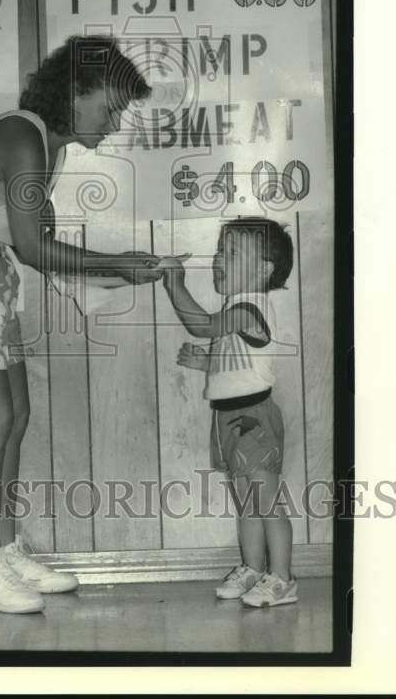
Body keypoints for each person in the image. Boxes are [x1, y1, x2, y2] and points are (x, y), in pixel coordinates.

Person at [0, 35, 163, 614]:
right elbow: (35, 247)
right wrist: (116, 263)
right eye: (109, 107)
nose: (114, 124)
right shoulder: (22, 137)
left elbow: (36, 241)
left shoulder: (48, 148)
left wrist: (111, 273)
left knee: (15, 415)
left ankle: (5, 550)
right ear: (75, 93)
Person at [162, 217, 297, 608]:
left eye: (231, 252)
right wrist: (206, 364)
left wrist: (176, 285)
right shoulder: (238, 310)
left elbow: (202, 325)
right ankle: (254, 568)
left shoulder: (248, 309)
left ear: (263, 269)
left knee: (265, 501)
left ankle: (283, 578)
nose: (219, 257)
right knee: (248, 502)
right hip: (229, 418)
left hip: (253, 418)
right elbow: (241, 367)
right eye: (220, 249)